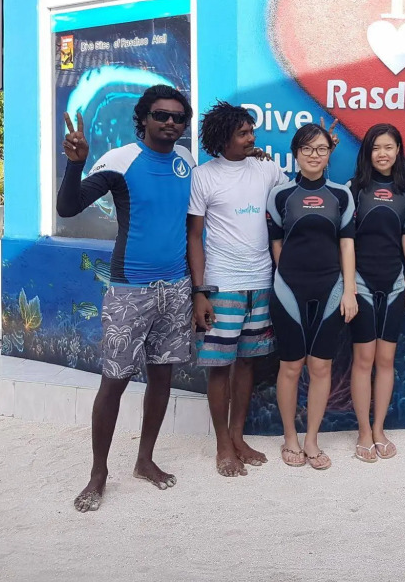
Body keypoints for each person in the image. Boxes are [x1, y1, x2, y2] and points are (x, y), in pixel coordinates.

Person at [57, 85, 195, 512]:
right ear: (144, 118)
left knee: (162, 377)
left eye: (178, 117)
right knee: (114, 382)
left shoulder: (186, 161)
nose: (170, 122)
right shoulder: (120, 160)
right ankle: (98, 474)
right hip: (130, 290)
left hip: (177, 288)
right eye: (161, 115)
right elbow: (68, 207)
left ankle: (144, 460)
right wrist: (75, 164)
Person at [186, 101, 289, 477]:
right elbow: (194, 236)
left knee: (247, 363)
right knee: (219, 367)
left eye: (251, 131)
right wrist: (200, 291)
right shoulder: (203, 176)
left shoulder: (267, 168)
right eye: (243, 133)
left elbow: (294, 197)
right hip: (221, 286)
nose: (251, 138)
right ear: (222, 138)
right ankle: (222, 445)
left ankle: (238, 437)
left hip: (260, 283)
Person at [267, 123, 358, 470]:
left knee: (321, 367)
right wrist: (288, 275)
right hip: (288, 290)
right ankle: (290, 437)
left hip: (331, 289)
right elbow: (276, 242)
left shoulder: (341, 195)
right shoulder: (280, 195)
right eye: (307, 149)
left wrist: (349, 290)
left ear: (329, 153)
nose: (314, 155)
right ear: (296, 153)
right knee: (291, 367)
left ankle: (312, 440)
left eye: (321, 149)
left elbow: (347, 245)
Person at [347, 124, 405, 462]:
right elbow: (345, 241)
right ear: (368, 152)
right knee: (363, 360)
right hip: (361, 283)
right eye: (376, 148)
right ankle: (363, 431)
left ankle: (379, 429)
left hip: (395, 285)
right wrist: (349, 286)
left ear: (398, 150)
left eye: (389, 147)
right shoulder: (354, 189)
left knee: (386, 360)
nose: (382, 154)